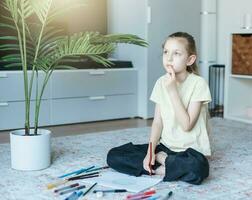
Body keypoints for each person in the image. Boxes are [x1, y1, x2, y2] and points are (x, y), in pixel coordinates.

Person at [106, 32, 212, 185]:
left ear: (190, 60)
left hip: (190, 150)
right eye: (166, 52)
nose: (169, 58)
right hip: (166, 146)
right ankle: (168, 167)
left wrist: (172, 90)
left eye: (176, 53)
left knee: (199, 168)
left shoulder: (198, 83)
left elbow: (186, 125)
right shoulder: (161, 82)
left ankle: (162, 163)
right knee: (114, 155)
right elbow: (157, 123)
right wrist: (150, 151)